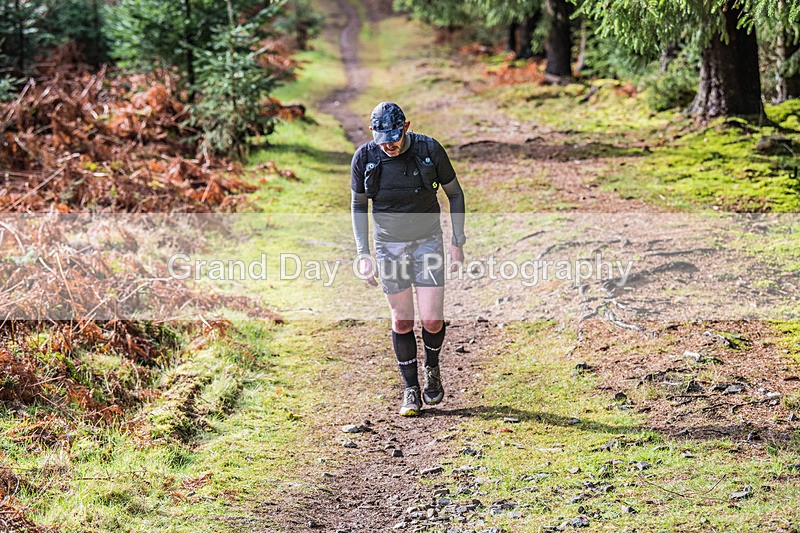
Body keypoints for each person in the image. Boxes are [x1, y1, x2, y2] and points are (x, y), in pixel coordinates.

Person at [351, 102, 466, 416]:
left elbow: (455, 194)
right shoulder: (365, 157)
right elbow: (359, 206)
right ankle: (410, 389)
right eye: (382, 139)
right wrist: (363, 253)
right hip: (389, 246)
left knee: (431, 319)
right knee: (402, 321)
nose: (388, 145)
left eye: (394, 137)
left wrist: (457, 241)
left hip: (427, 241)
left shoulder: (429, 150)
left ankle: (432, 368)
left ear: (406, 127)